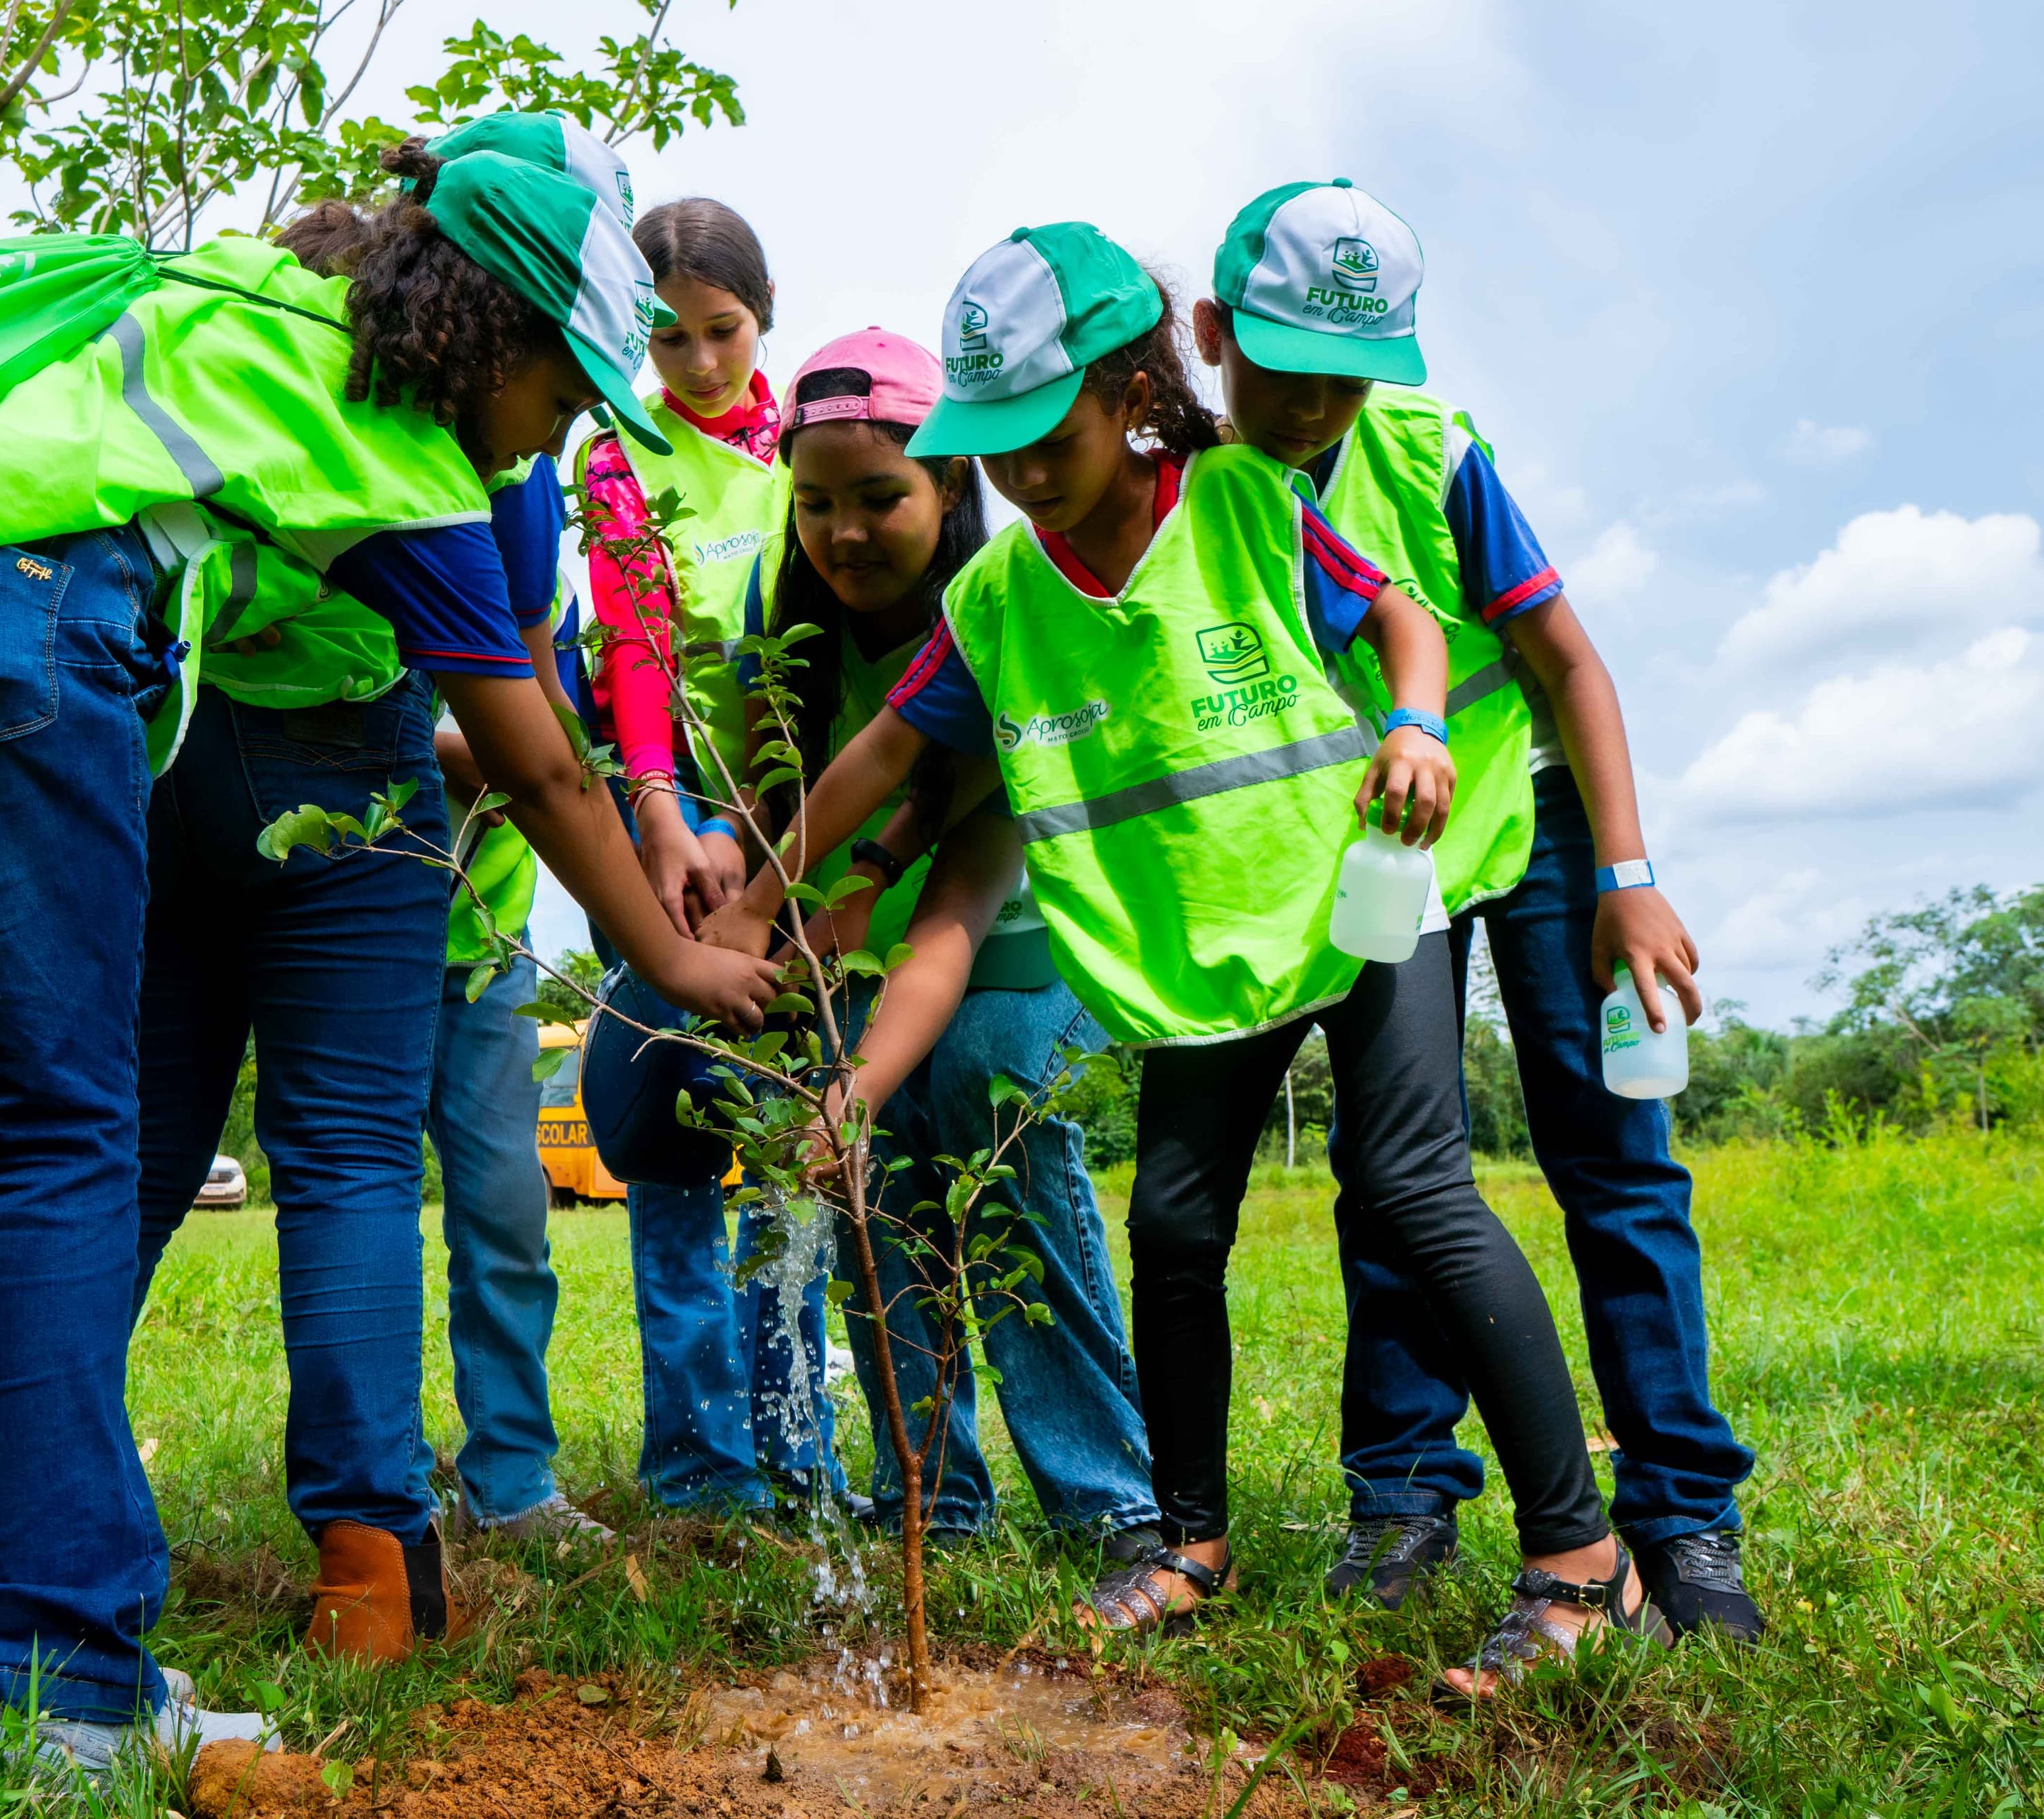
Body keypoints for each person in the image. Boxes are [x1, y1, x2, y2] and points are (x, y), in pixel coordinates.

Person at [0, 134, 777, 1693]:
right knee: (354, 1153)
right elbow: (539, 746)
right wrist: (673, 950)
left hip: (151, 735)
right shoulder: (455, 456)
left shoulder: (266, 302)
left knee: (125, 1156)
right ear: (506, 319)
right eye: (565, 392)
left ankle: (5, 1527)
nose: (557, 429)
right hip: (345, 772)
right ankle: (371, 1564)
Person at [705, 223, 1640, 1695]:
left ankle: (1584, 1560)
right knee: (1175, 1223)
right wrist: (762, 897)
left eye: (1047, 437)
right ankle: (1190, 1539)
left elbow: (1400, 616)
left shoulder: (1246, 503)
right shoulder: (1002, 601)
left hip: (1350, 902)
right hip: (1199, 957)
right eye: (995, 449)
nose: (1020, 475)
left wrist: (1416, 724)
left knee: (1414, 1188)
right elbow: (888, 748)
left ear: (1133, 389)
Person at [1188, 179, 1759, 1637]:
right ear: (1212, 335)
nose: (1319, 401)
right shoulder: (1195, 500)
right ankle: (1400, 1496)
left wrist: (1629, 878)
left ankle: (1684, 1517)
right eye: (1286, 366)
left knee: (1615, 1159)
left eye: (1350, 373)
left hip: (1545, 810)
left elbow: (1572, 664)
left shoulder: (1431, 456)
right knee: (1396, 1177)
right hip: (1394, 845)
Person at [745, 328, 1162, 1565]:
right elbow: (784, 803)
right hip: (866, 965)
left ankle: (1112, 1497)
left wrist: (854, 1082)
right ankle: (933, 1491)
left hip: (1018, 948)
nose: (847, 530)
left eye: (882, 497)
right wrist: (747, 913)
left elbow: (954, 911)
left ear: (949, 491)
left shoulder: (1003, 621)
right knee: (879, 1191)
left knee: (984, 1104)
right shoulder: (795, 643)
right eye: (815, 504)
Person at [269, 115, 624, 1551]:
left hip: (473, 908)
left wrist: (564, 794)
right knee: (349, 1178)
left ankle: (513, 1469)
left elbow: (532, 678)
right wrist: (502, 761)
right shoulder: (362, 404)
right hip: (334, 869)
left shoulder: (521, 466)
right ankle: (375, 1478)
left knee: (499, 1203)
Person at [573, 197, 842, 1516]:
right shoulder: (615, 450)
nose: (699, 364)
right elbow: (635, 641)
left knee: (792, 1152)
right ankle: (700, 1466)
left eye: (723, 331)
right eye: (668, 338)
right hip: (666, 829)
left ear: (764, 314)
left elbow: (832, 651)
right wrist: (666, 814)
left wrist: (766, 838)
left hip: (799, 835)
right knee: (668, 1135)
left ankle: (802, 1455)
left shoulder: (817, 447)